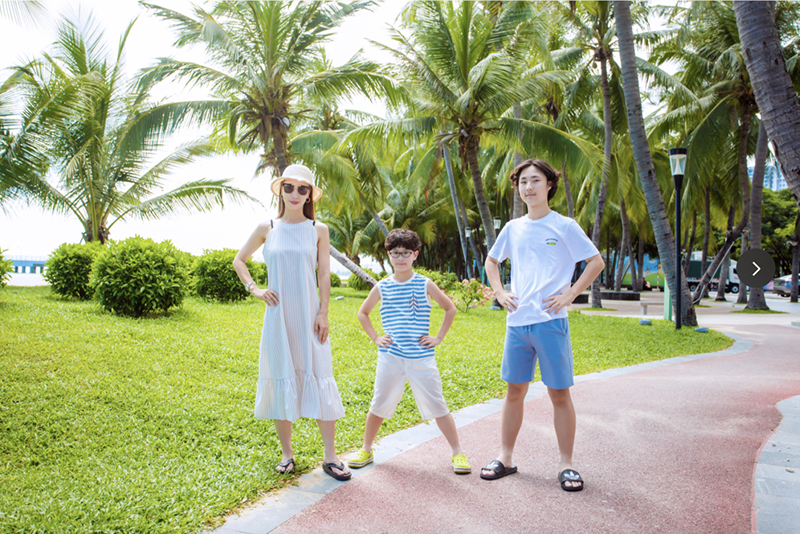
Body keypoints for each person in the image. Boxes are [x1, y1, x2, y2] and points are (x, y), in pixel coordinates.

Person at [480, 159, 605, 491]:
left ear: (550, 185)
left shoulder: (564, 226)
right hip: (517, 323)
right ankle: (505, 458)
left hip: (551, 322)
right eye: (523, 182)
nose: (529, 187)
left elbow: (596, 262)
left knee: (559, 394)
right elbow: (492, 261)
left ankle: (567, 464)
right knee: (514, 392)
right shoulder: (513, 228)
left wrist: (571, 294)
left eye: (535, 180)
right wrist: (500, 292)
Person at [233, 164, 351, 481]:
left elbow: (324, 273)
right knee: (281, 376)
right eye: (289, 187)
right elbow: (239, 260)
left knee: (320, 375)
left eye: (302, 188)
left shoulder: (318, 229)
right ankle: (287, 454)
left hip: (310, 317)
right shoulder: (266, 228)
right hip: (278, 317)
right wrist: (255, 289)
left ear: (310, 194)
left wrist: (324, 312)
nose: (295, 194)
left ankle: (330, 456)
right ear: (280, 191)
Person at [348, 229, 470, 475]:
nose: (400, 258)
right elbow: (363, 313)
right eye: (395, 253)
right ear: (389, 255)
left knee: (438, 404)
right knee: (379, 403)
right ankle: (366, 449)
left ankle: (457, 452)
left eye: (405, 253)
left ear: (415, 255)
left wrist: (438, 338)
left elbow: (450, 308)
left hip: (421, 358)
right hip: (391, 358)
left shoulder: (424, 283)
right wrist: (375, 337)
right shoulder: (382, 286)